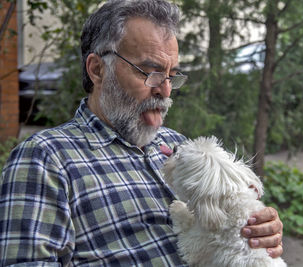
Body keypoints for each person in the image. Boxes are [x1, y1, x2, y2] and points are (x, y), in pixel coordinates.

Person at [0, 0, 283, 265]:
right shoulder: (45, 159)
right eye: (150, 72)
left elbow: (221, 227)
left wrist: (258, 232)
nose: (166, 90)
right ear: (98, 70)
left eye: (172, 75)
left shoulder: (180, 146)